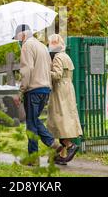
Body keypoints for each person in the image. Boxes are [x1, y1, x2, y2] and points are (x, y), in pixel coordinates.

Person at [14, 24, 62, 164]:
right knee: (34, 120)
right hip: (45, 89)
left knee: (31, 123)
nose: (18, 40)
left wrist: (21, 89)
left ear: (22, 34)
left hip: (33, 89)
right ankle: (50, 146)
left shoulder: (27, 46)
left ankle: (38, 155)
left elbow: (27, 69)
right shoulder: (41, 46)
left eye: (17, 37)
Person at [47, 34, 82, 165]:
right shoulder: (66, 56)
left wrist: (45, 71)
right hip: (68, 89)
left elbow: (56, 75)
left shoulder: (57, 57)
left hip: (59, 91)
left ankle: (68, 146)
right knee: (64, 121)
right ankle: (61, 155)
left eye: (50, 43)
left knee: (57, 121)